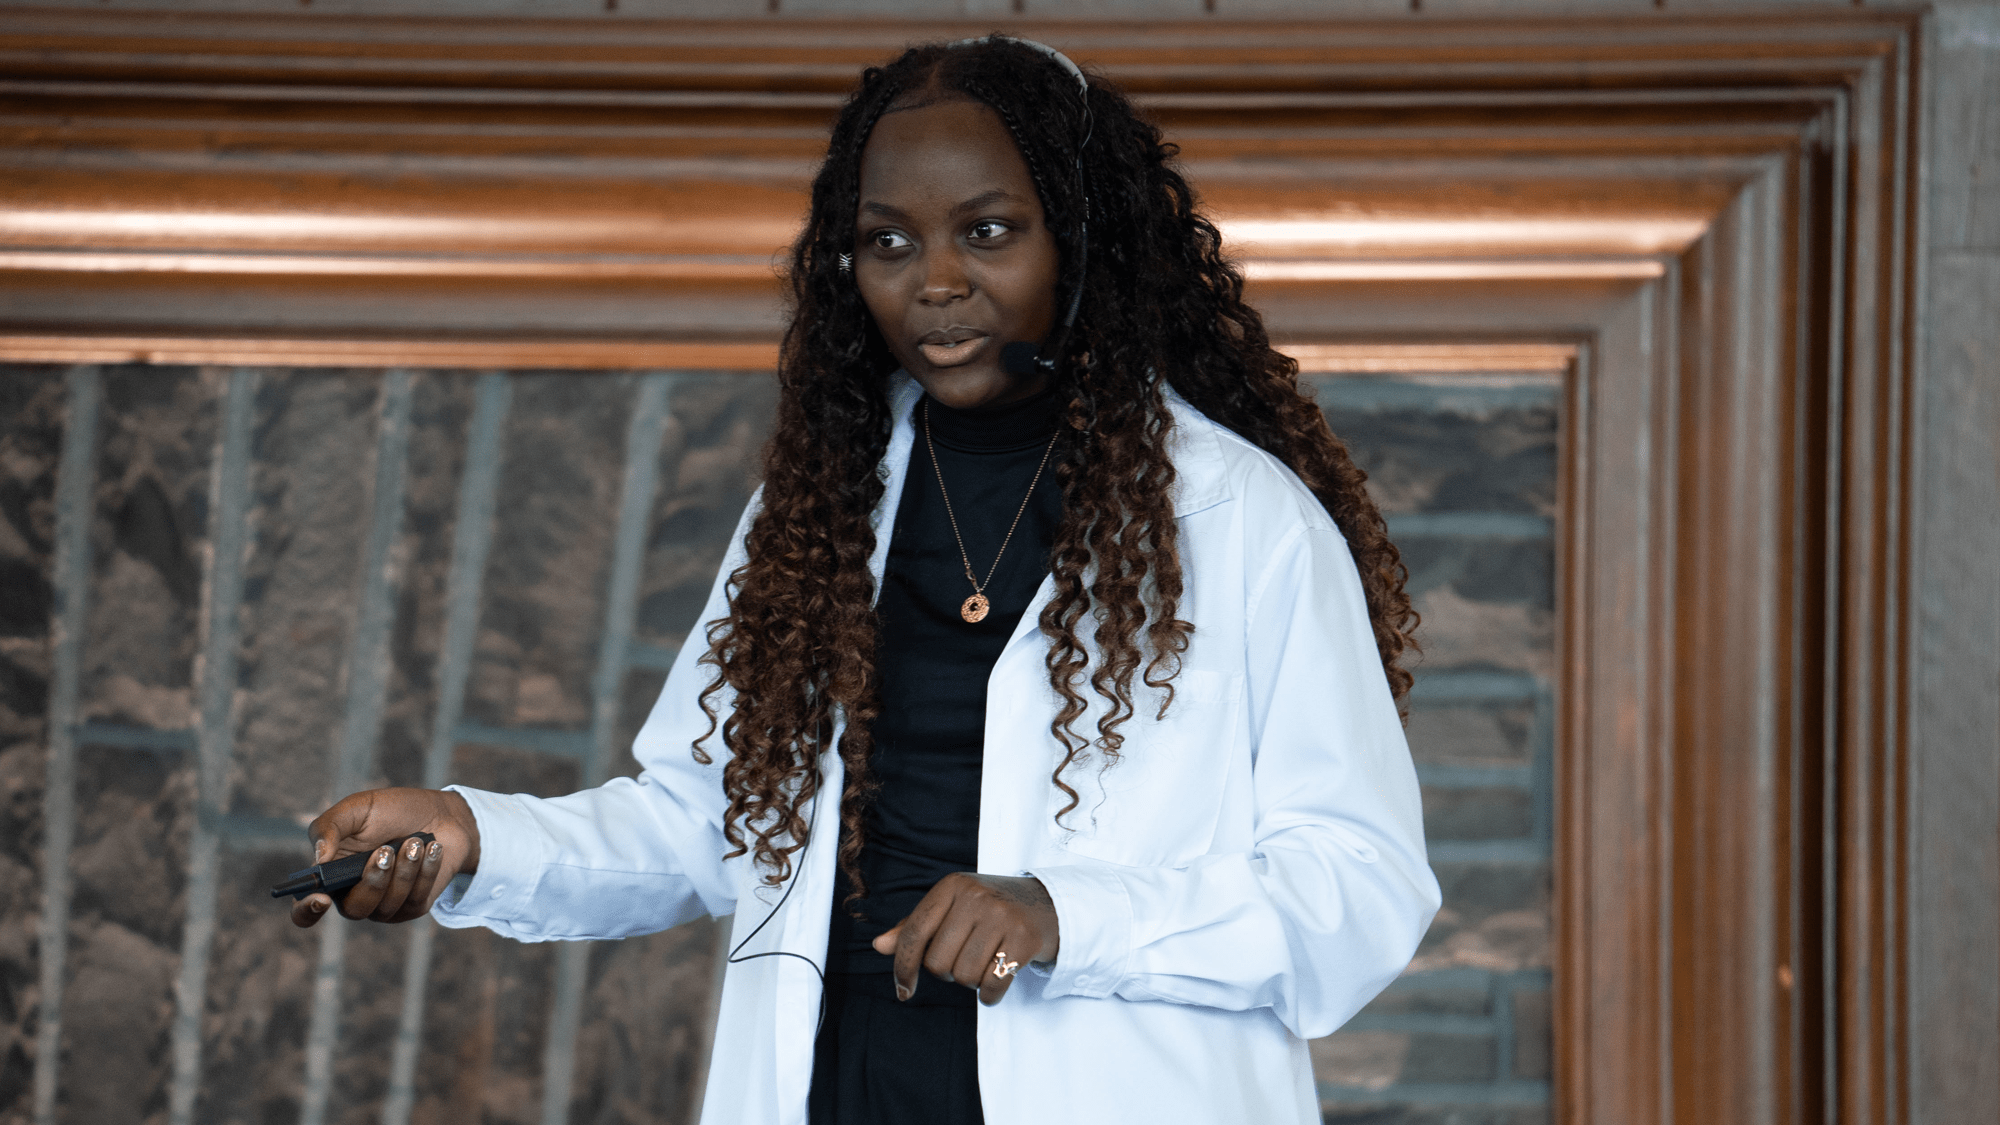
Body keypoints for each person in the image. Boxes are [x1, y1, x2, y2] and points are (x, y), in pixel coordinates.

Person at [292, 35, 1441, 1125]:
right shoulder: (822, 508)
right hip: (835, 1082)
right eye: (888, 243)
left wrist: (1062, 916)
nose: (934, 282)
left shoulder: (1240, 522)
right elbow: (705, 824)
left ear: (1083, 239)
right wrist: (468, 838)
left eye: (986, 232)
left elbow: (1358, 891)